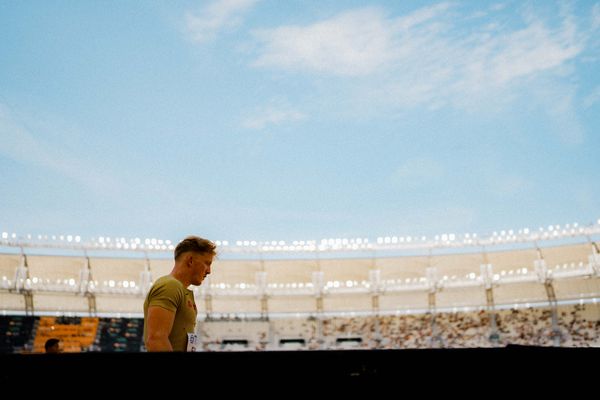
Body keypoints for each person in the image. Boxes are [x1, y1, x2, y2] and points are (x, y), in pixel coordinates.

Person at [143, 235, 216, 352]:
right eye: (207, 263)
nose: (209, 271)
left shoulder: (179, 289)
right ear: (190, 261)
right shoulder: (170, 286)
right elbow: (156, 340)